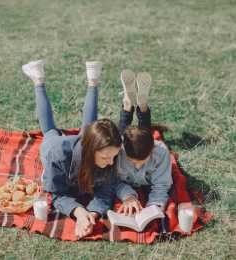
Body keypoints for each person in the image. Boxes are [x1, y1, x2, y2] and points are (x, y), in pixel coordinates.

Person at [22, 60, 140, 238]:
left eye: (114, 157)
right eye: (106, 157)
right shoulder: (57, 155)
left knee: (89, 128)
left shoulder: (107, 155)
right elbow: (56, 194)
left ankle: (93, 82)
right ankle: (38, 80)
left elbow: (106, 190)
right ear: (91, 150)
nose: (111, 162)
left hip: (85, 142)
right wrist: (77, 211)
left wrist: (91, 215)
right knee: (49, 131)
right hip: (54, 145)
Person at [116, 69, 173, 214]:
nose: (138, 165)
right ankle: (132, 104)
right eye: (133, 161)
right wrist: (128, 196)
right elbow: (112, 181)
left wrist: (154, 206)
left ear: (152, 150)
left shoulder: (160, 153)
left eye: (143, 160)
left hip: (146, 143)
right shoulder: (117, 151)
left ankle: (130, 104)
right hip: (123, 141)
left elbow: (161, 185)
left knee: (143, 134)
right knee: (123, 133)